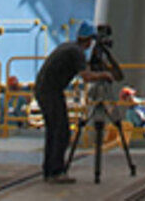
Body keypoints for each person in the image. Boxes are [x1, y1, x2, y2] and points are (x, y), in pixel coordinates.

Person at [34, 28, 120, 183]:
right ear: (88, 41)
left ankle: (49, 170)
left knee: (54, 131)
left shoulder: (69, 48)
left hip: (45, 90)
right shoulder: (76, 52)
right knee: (62, 132)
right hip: (51, 92)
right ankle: (56, 172)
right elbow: (86, 76)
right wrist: (105, 74)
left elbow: (82, 68)